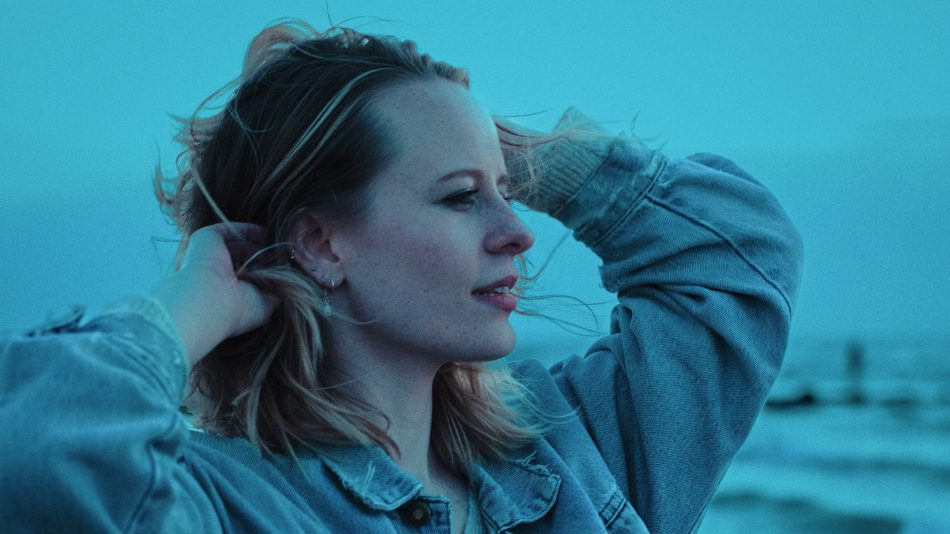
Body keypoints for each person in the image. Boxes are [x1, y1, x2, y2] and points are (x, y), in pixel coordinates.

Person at [0, 19, 803, 534]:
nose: (519, 231)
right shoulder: (221, 506)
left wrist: (492, 148)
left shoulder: (574, 451)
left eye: (509, 190)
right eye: (460, 198)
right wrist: (193, 304)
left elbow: (738, 255)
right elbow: (37, 451)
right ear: (322, 244)